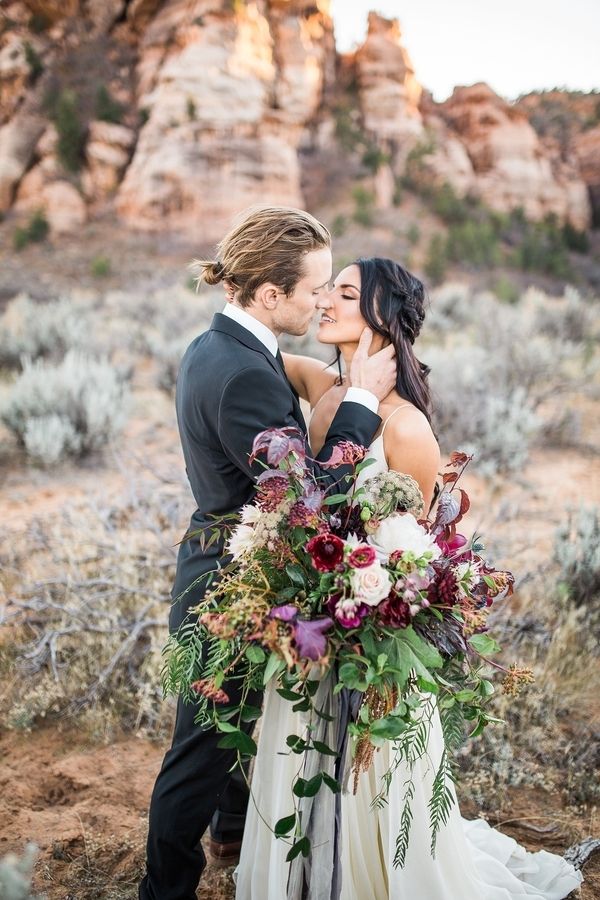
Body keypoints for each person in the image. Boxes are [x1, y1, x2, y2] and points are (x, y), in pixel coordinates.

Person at [234, 257, 583, 899]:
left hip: (373, 637)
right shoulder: (329, 390)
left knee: (374, 776)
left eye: (342, 292)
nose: (323, 302)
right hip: (313, 626)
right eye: (323, 289)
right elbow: (256, 353)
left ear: (378, 316)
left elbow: (412, 555)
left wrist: (362, 604)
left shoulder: (406, 427)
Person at [138, 210, 398, 900]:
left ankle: (229, 828)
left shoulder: (219, 347)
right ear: (270, 294)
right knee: (199, 743)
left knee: (239, 714)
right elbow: (307, 500)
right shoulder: (243, 372)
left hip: (225, 562)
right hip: (223, 577)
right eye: (315, 288)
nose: (322, 301)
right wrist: (364, 399)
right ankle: (162, 889)